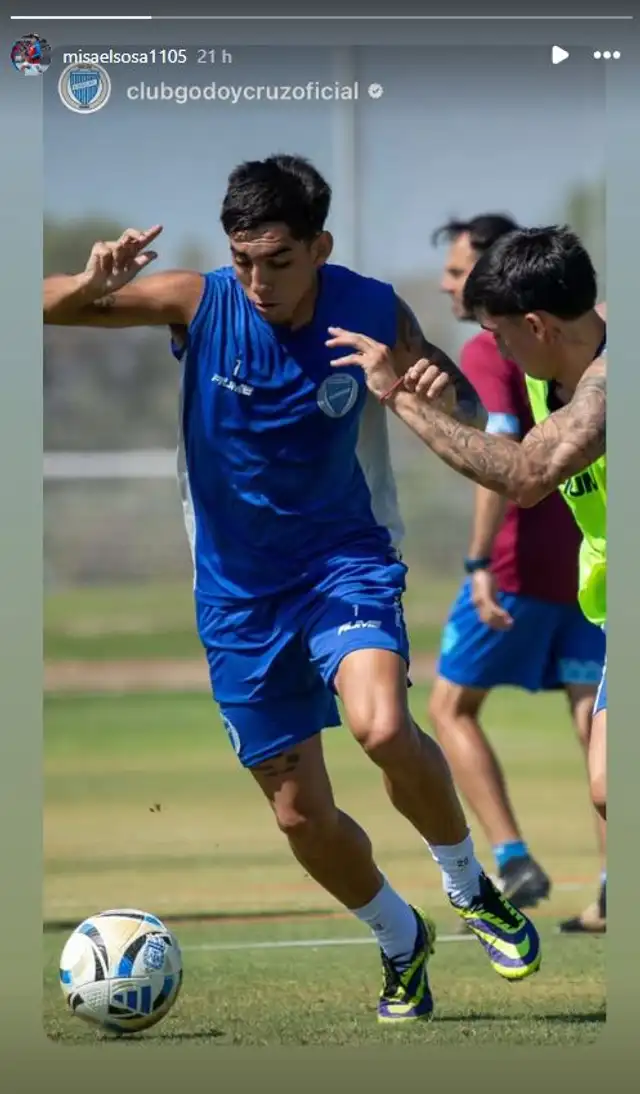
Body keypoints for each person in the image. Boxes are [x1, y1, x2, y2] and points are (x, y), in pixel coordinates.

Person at [43, 154, 542, 1024]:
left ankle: (471, 888)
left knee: (381, 726)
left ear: (320, 248)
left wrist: (439, 388)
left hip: (343, 563)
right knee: (300, 817)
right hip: (236, 597)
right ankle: (400, 939)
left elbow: (456, 403)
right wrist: (89, 284)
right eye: (243, 260)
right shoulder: (199, 303)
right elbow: (43, 306)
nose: (258, 281)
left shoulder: (370, 306)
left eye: (277, 260)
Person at [326, 225, 607, 883]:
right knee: (607, 786)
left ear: (537, 326)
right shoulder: (556, 368)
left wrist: (397, 397)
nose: (493, 350)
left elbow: (527, 477)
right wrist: (447, 406)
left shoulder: (609, 384)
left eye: (498, 335)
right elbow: (506, 443)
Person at [427, 216, 606, 931]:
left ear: (533, 323)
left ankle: (513, 855)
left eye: (458, 272)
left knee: (450, 705)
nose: (449, 285)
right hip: (594, 586)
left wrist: (479, 562)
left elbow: (519, 472)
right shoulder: (558, 353)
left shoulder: (527, 360)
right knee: (602, 770)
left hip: (521, 570)